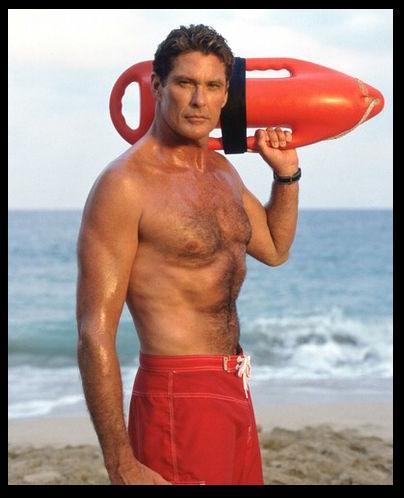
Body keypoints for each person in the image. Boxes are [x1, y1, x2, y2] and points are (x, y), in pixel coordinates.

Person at [76, 24, 299, 485]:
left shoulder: (222, 173)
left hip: (234, 385)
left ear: (226, 95)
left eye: (213, 86)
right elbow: (94, 332)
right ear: (157, 86)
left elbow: (275, 249)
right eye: (185, 83)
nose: (200, 100)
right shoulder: (125, 185)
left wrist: (286, 177)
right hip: (175, 397)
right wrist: (120, 463)